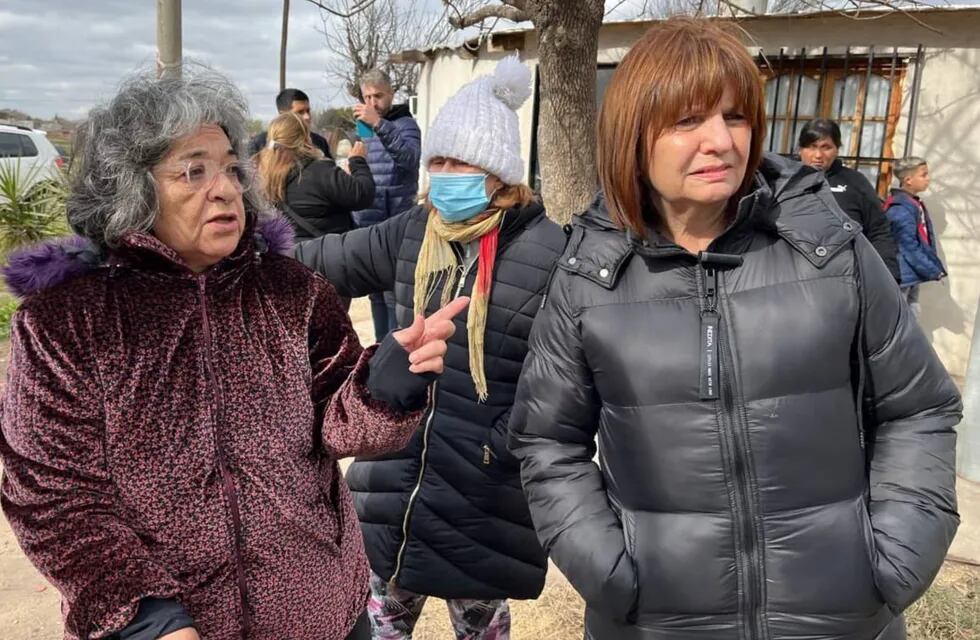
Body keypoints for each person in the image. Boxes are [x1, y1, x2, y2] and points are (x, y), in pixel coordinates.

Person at [509, 18, 960, 640]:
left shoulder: (828, 247)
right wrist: (613, 574)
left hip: (840, 618)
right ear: (632, 134)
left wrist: (893, 557)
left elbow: (920, 408)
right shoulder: (590, 275)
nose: (720, 141)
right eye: (687, 120)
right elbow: (546, 441)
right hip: (655, 623)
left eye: (735, 116)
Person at [0, 69, 467, 640]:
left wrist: (385, 386)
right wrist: (150, 619)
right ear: (130, 186)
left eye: (228, 167)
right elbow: (55, 497)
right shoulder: (67, 322)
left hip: (322, 615)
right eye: (193, 171)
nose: (224, 188)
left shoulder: (292, 291)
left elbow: (340, 430)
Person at [294, 56, 561, 639]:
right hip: (396, 482)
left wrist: (500, 450)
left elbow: (558, 387)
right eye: (436, 161)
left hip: (482, 494)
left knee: (481, 627)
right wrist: (243, 253)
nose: (442, 175)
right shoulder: (415, 230)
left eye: (457, 161)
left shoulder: (549, 254)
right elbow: (324, 262)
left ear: (497, 172)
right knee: (381, 624)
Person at [353, 69, 422, 342]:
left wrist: (380, 124)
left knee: (395, 292)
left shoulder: (404, 124)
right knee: (375, 290)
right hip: (369, 219)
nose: (372, 102)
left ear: (391, 94)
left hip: (396, 221)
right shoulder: (364, 127)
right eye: (367, 96)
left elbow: (409, 159)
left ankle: (395, 347)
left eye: (378, 96)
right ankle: (380, 346)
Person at [798, 118, 901, 282]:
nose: (818, 155)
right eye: (812, 147)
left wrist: (890, 279)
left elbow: (879, 231)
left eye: (826, 147)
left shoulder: (855, 183)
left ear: (837, 150)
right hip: (792, 277)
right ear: (800, 150)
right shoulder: (783, 181)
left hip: (842, 279)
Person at [254, 111, 374, 241]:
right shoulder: (320, 171)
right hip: (325, 252)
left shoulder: (260, 175)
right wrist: (358, 161)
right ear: (306, 138)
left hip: (289, 253)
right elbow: (363, 195)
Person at [885, 156, 946, 316]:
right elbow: (907, 245)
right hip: (902, 274)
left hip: (911, 274)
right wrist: (932, 269)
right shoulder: (900, 208)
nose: (928, 179)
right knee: (900, 321)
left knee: (912, 317)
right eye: (924, 175)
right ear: (908, 180)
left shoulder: (912, 203)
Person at [248, 88, 333, 159]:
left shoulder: (319, 142)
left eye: (308, 111)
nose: (307, 116)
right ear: (283, 115)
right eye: (300, 112)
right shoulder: (260, 144)